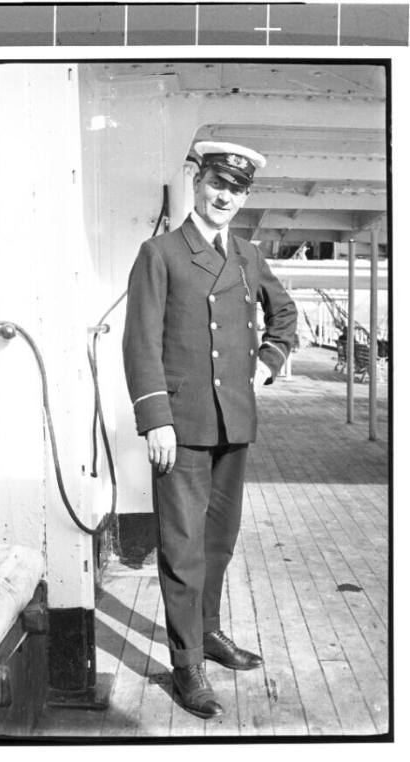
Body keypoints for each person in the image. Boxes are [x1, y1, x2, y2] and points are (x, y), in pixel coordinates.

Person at [123, 141, 297, 719]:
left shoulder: (247, 254)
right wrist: (155, 420)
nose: (225, 196)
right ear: (197, 182)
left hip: (234, 422)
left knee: (219, 541)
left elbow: (285, 314)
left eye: (237, 189)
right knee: (181, 548)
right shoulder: (161, 252)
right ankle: (186, 663)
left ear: (245, 197)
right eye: (218, 183)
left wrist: (268, 363)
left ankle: (211, 632)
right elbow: (140, 341)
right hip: (183, 425)